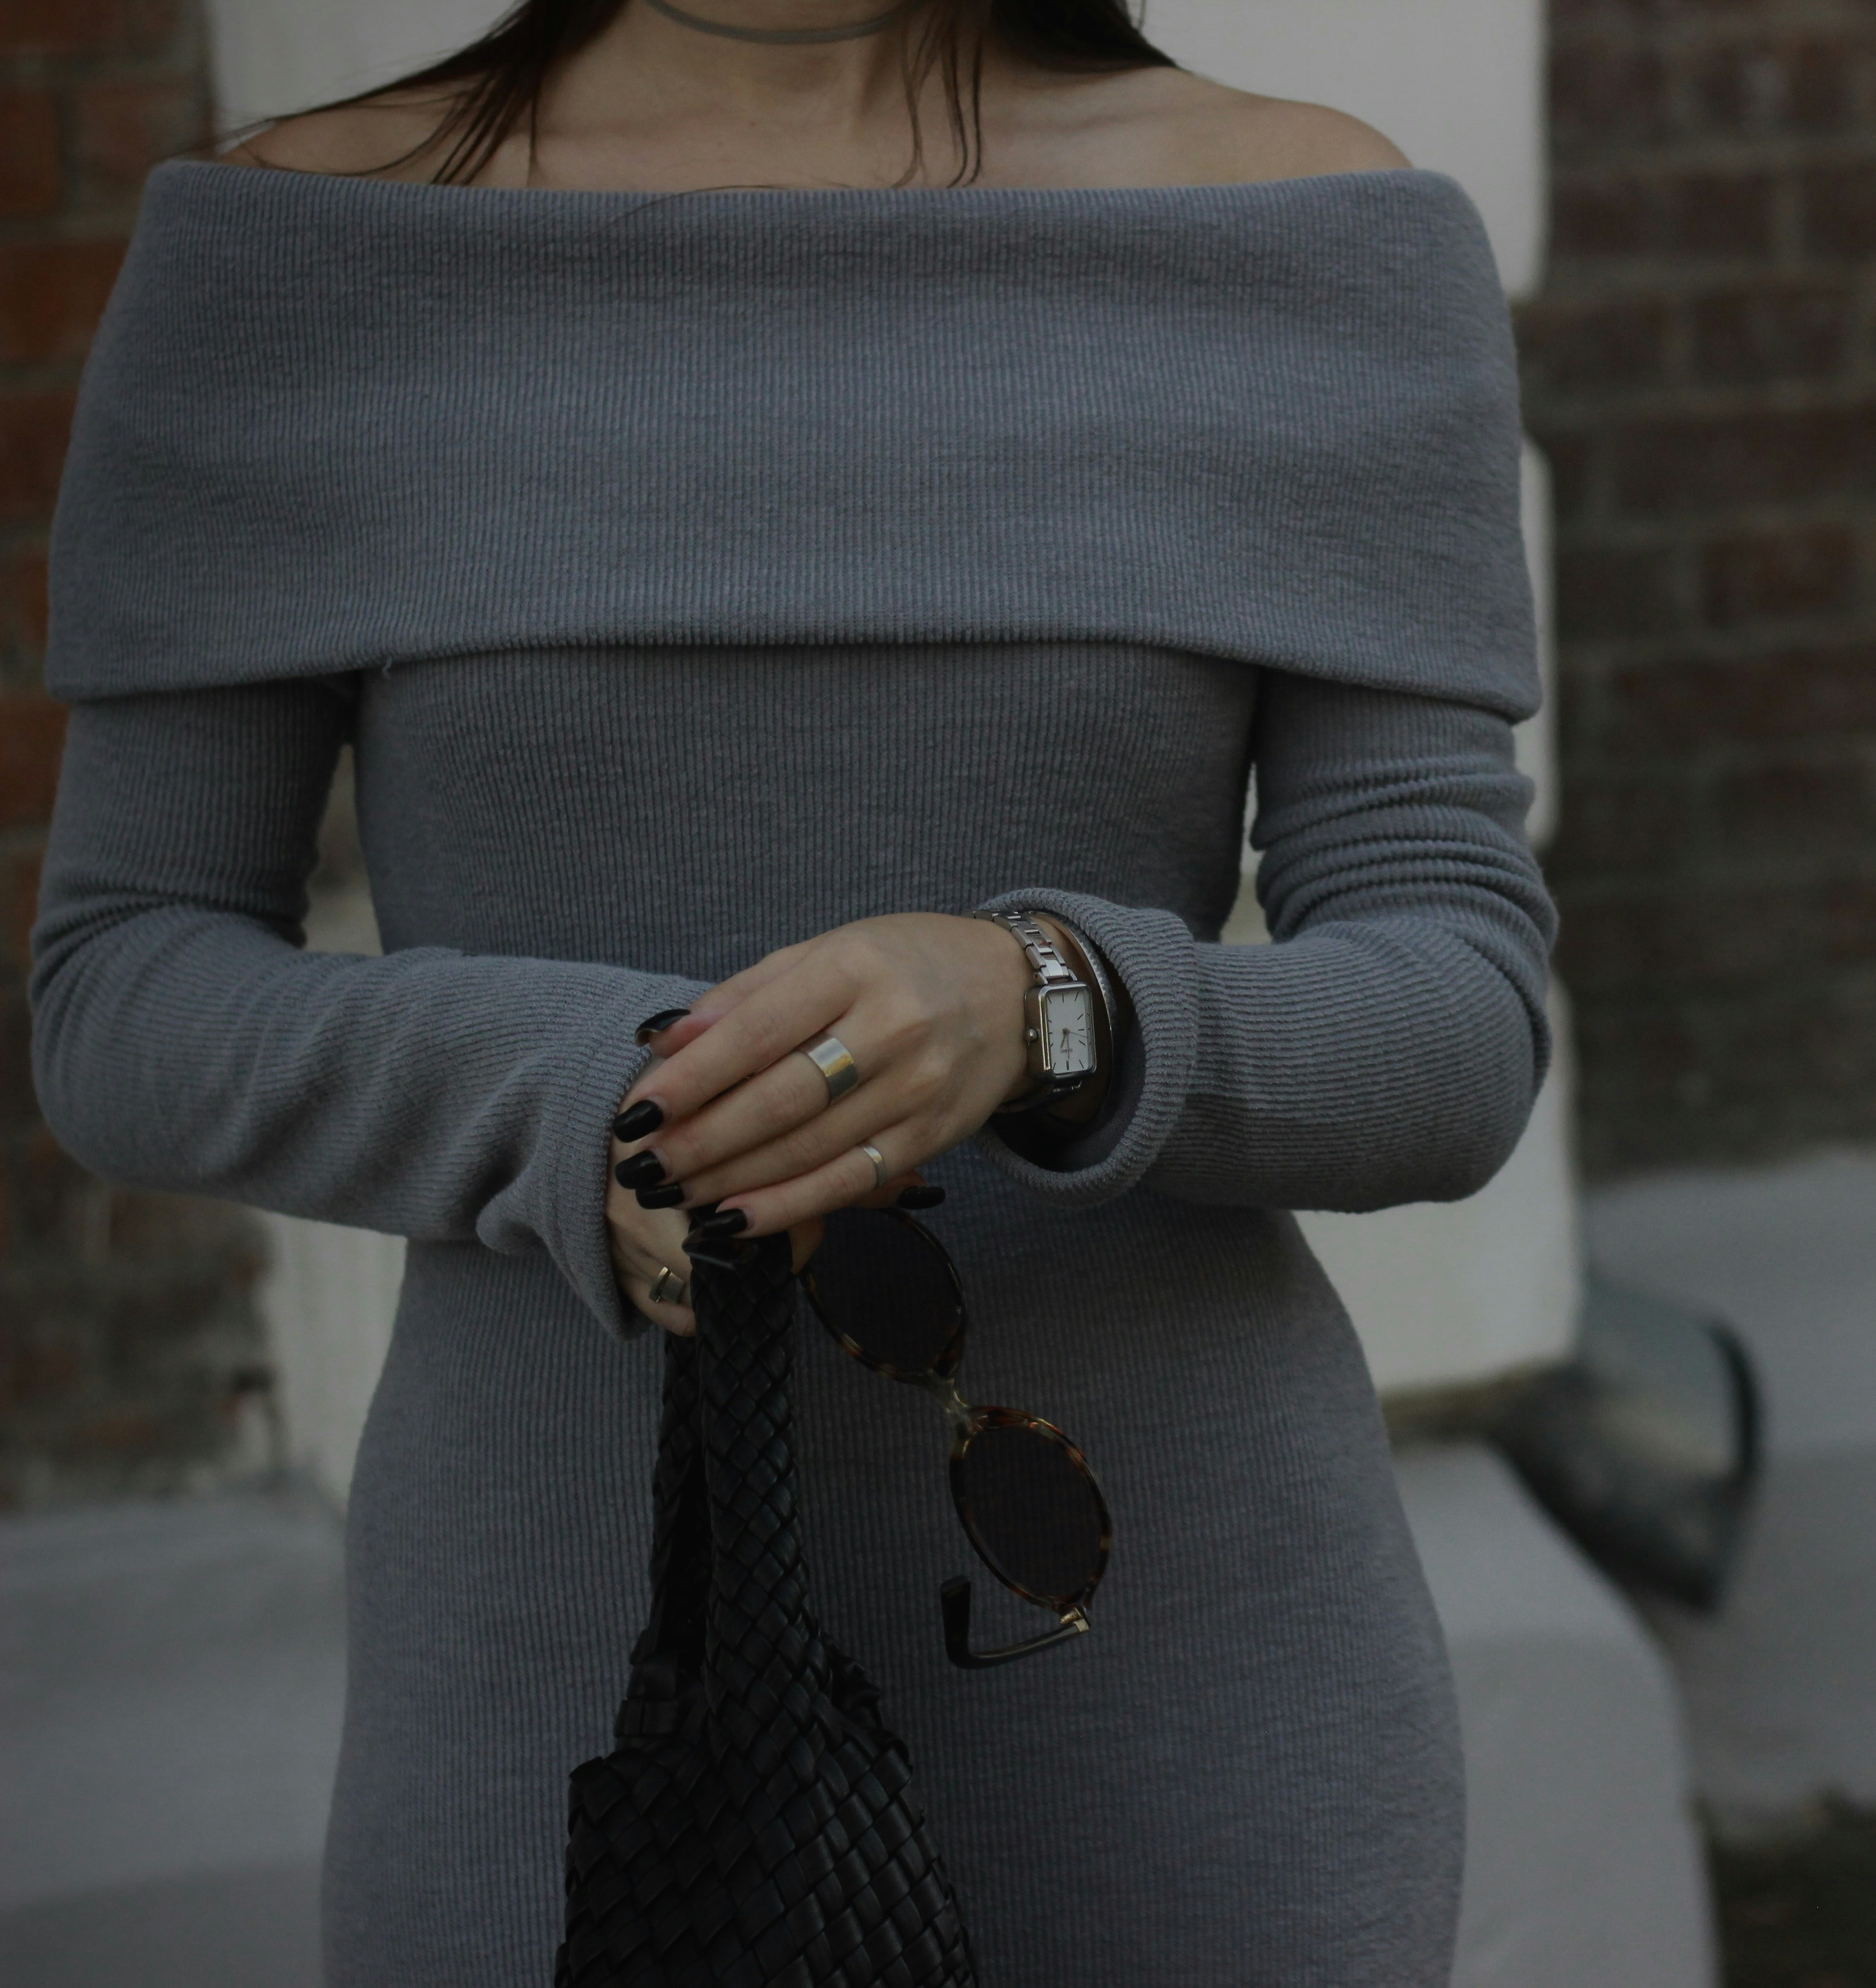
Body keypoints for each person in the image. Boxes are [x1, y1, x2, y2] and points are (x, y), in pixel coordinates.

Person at [26, 3, 1553, 1981]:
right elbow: (123, 987)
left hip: (1185, 1683)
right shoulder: (307, 254)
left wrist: (1046, 1001)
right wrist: (585, 1104)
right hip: (565, 1681)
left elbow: (1455, 1014)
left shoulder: (1310, 229)